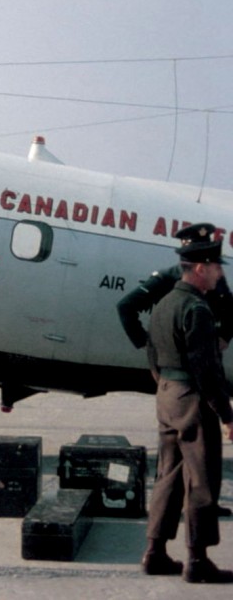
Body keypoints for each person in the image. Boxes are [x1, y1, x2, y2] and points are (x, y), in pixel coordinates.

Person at [118, 225, 233, 519]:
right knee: (196, 460)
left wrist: (224, 337)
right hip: (189, 382)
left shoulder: (212, 281)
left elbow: (230, 310)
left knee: (186, 462)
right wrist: (146, 344)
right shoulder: (172, 281)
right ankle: (197, 548)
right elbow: (126, 306)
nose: (217, 272)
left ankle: (167, 534)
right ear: (196, 262)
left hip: (182, 379)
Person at [141, 224, 233, 583]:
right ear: (200, 269)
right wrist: (226, 413)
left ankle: (155, 551)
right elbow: (207, 369)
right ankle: (197, 560)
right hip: (192, 399)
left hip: (166, 394)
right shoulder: (197, 309)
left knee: (168, 475)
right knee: (201, 478)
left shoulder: (164, 303)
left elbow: (151, 351)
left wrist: (165, 385)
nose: (219, 273)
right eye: (215, 267)